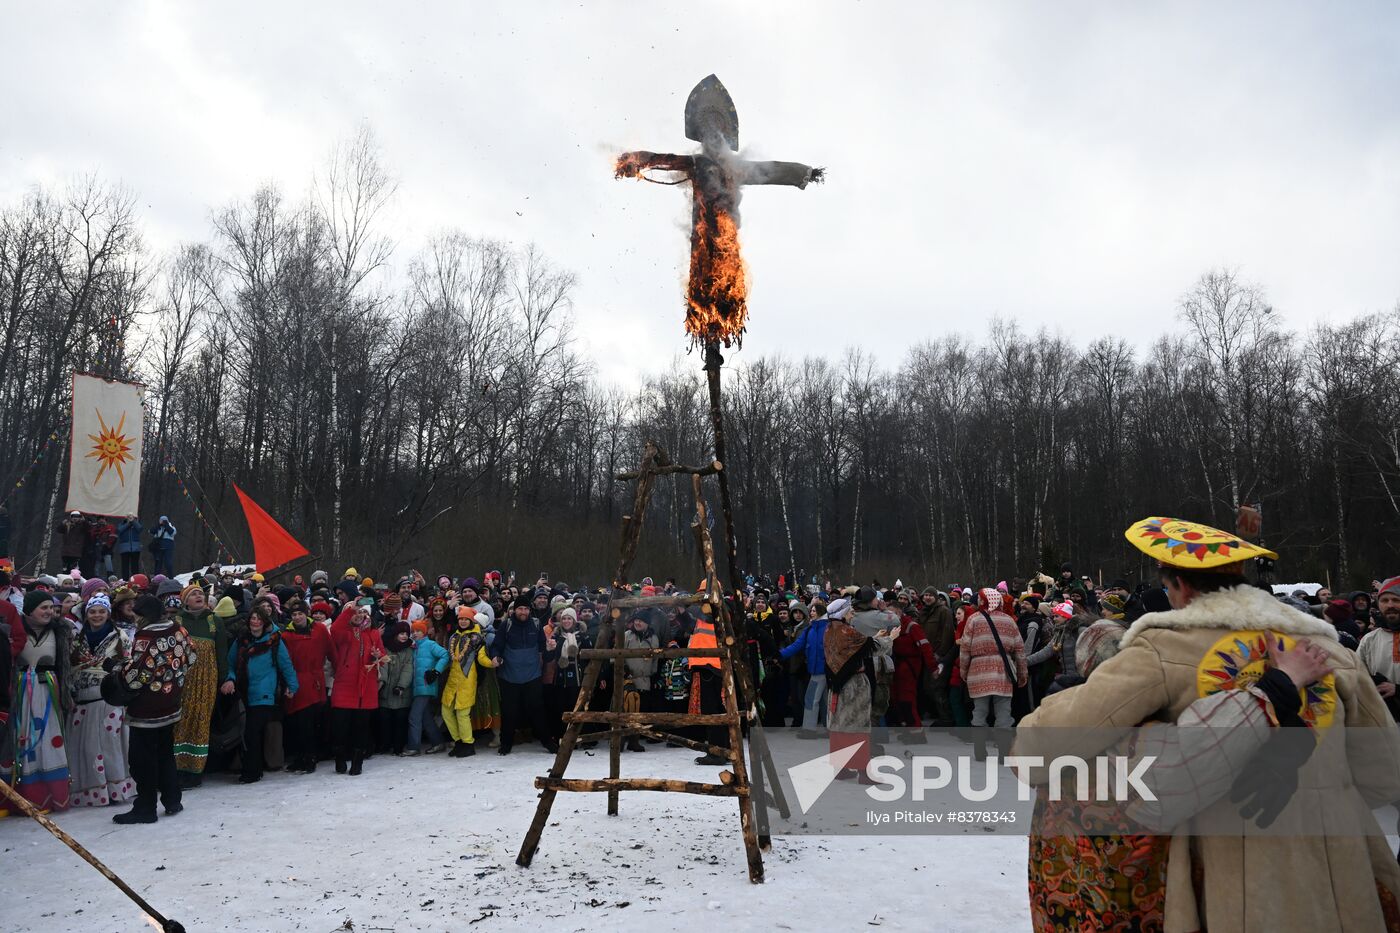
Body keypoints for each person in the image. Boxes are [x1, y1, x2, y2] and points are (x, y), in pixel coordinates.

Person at [1016, 516, 1400, 931]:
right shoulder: (1330, 650)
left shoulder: (1162, 648)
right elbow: (1384, 776)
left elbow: (1037, 747)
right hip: (1342, 877)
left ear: (1180, 586)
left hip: (1231, 881)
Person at [114, 594, 193, 824]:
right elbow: (191, 656)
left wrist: (118, 672)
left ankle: (145, 808)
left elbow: (138, 674)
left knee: (142, 760)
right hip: (171, 702)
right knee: (166, 753)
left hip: (146, 708)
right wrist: (173, 678)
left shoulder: (146, 636)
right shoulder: (178, 629)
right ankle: (172, 799)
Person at [67, 593, 135, 807]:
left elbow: (128, 665)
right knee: (87, 748)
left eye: (101, 612)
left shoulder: (120, 637)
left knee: (110, 747)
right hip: (83, 702)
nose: (97, 615)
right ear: (87, 614)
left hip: (109, 700)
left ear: (108, 613)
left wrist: (110, 669)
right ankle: (92, 792)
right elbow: (70, 666)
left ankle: (115, 790)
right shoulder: (77, 639)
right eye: (93, 612)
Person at [221, 604, 297, 784]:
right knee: (247, 732)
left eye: (259, 619)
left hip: (264, 691)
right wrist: (230, 679)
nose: (255, 622)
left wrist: (292, 686)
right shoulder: (241, 640)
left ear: (265, 622)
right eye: (253, 618)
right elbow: (230, 663)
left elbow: (286, 665)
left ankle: (252, 771)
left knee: (252, 732)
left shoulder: (274, 641)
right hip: (244, 690)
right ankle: (252, 768)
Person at [13, 589, 73, 810]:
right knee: (25, 738)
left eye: (51, 607)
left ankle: (55, 795)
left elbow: (66, 664)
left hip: (50, 691)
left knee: (50, 739)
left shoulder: (60, 631)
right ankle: (30, 797)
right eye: (44, 608)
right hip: (22, 693)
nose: (49, 612)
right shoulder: (17, 631)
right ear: (30, 610)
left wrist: (68, 693)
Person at [958, 587, 1027, 753]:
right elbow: (1020, 650)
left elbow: (965, 648)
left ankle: (980, 751)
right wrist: (1022, 673)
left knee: (979, 711)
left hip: (978, 670)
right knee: (1004, 713)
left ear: (982, 601)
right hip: (1003, 670)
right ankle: (1004, 752)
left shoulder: (973, 619)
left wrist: (963, 670)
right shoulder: (1009, 621)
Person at [489, 596, 559, 756]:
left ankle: (547, 742)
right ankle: (506, 743)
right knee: (509, 711)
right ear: (514, 610)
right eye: (520, 608)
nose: (523, 612)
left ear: (530, 610)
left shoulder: (536, 624)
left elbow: (544, 650)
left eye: (526, 609)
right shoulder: (506, 625)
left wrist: (550, 649)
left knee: (538, 710)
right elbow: (496, 646)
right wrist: (495, 656)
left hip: (532, 675)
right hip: (509, 676)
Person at [174, 584, 224, 786]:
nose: (198, 596)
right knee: (180, 721)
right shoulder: (177, 621)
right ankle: (177, 768)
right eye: (193, 594)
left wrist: (226, 679)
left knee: (201, 721)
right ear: (185, 600)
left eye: (200, 593)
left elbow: (221, 652)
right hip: (183, 680)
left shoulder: (214, 621)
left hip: (207, 679)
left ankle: (195, 770)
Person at [328, 601, 383, 775]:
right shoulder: (344, 632)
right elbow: (335, 629)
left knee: (361, 727)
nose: (359, 615)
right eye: (356, 613)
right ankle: (339, 757)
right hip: (345, 683)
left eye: (362, 612)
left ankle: (357, 762)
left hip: (365, 685)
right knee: (340, 726)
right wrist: (350, 610)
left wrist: (377, 656)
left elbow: (382, 655)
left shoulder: (373, 633)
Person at [282, 597, 332, 773]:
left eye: (300, 614)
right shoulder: (286, 635)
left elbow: (331, 651)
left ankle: (310, 758)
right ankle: (300, 757)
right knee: (296, 723)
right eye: (294, 614)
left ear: (306, 614)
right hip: (295, 680)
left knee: (308, 722)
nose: (297, 617)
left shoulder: (319, 630)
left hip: (314, 680)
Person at [441, 607, 497, 757]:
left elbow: (481, 658)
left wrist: (492, 663)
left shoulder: (477, 638)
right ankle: (458, 741)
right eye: (461, 619)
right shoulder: (454, 637)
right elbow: (448, 658)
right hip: (452, 680)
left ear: (471, 621)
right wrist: (436, 670)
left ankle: (468, 744)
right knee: (446, 711)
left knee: (462, 713)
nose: (463, 621)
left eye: (466, 619)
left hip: (467, 680)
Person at [782, 598, 830, 734]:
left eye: (814, 611)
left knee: (811, 699)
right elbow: (796, 645)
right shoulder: (810, 629)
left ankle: (809, 729)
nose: (811, 613)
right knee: (823, 700)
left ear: (820, 612)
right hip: (816, 669)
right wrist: (780, 654)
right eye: (811, 611)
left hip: (822, 670)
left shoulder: (827, 628)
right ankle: (828, 728)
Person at [1356, 575, 1400, 722]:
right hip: (1384, 720)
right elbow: (1358, 676)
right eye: (1384, 600)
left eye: (1396, 600)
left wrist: (1397, 690)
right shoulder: (1369, 640)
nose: (1390, 605)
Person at [406, 619, 449, 755]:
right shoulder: (414, 647)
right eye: (413, 631)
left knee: (414, 717)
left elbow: (445, 655)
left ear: (424, 632)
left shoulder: (430, 644)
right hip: (417, 687)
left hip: (425, 686)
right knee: (426, 717)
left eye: (418, 631)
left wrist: (436, 672)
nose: (415, 633)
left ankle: (413, 747)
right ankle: (438, 742)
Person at [622, 613, 659, 752]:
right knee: (625, 709)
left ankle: (634, 740)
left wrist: (653, 674)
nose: (637, 623)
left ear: (647, 623)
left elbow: (655, 659)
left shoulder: (653, 638)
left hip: (644, 679)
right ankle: (620, 739)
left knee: (639, 711)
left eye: (641, 621)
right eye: (636, 620)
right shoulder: (627, 635)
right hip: (627, 678)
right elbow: (616, 654)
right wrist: (623, 670)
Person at [377, 620, 414, 755]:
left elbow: (408, 670)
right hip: (386, 691)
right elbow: (383, 666)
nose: (404, 636)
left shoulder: (409, 650)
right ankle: (384, 744)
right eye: (401, 633)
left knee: (400, 720)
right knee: (384, 721)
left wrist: (401, 686)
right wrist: (381, 682)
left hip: (401, 692)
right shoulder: (386, 648)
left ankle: (398, 746)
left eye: (406, 634)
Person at [57, 511, 88, 575]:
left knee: (74, 569)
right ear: (71, 517)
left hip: (76, 551)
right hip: (66, 551)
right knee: (65, 568)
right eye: (73, 517)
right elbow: (59, 530)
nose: (75, 518)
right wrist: (62, 524)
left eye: (77, 517)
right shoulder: (67, 525)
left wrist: (84, 521)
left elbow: (88, 528)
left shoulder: (82, 525)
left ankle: (74, 579)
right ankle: (65, 578)